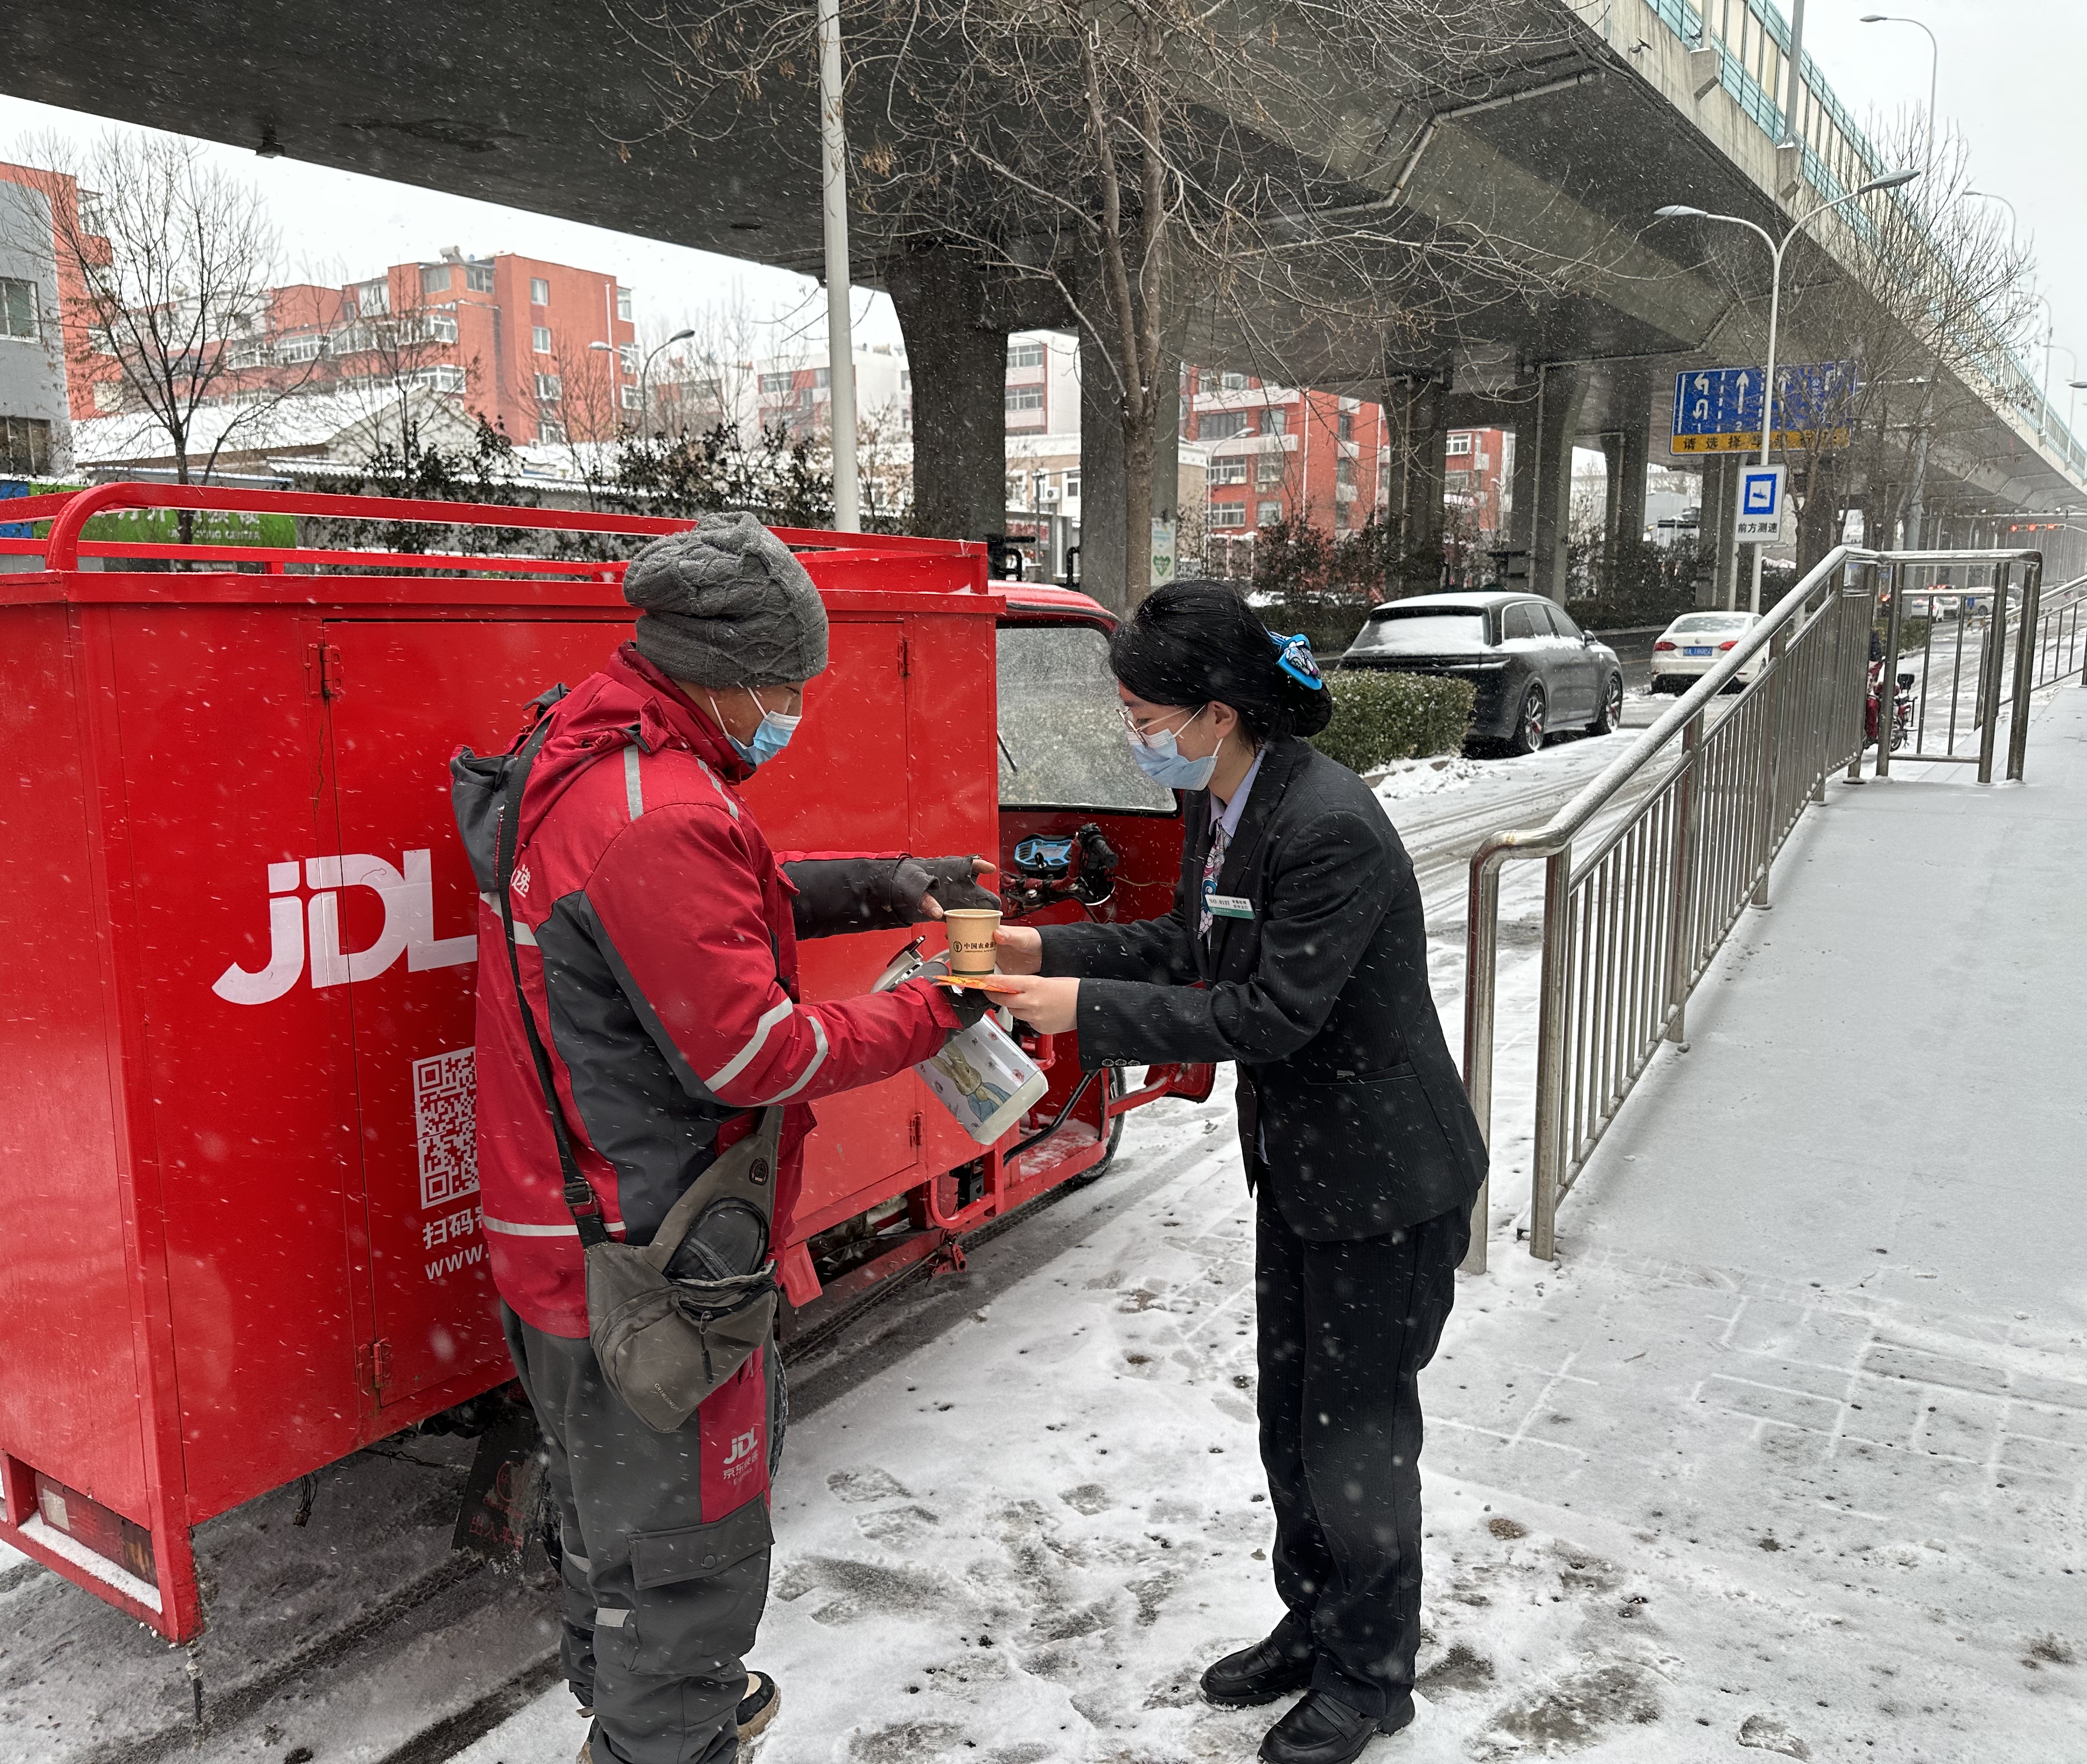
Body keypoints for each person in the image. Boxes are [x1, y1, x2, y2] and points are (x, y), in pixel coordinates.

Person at [451, 511, 995, 1764]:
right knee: (683, 1567)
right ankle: (669, 1738)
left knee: (612, 1536)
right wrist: (935, 1007)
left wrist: (885, 880)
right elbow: (756, 1053)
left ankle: (634, 1713)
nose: (793, 705)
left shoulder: (594, 756)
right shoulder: (657, 810)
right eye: (790, 684)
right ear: (732, 668)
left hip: (562, 1224)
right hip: (648, 1258)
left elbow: (703, 906)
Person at [992, 581, 1487, 1764]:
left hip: (1385, 1183)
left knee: (1357, 1435)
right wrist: (1044, 944)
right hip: (1307, 1172)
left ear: (1216, 713)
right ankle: (1314, 1625)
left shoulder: (1328, 826)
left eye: (1144, 716)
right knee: (1292, 1418)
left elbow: (1272, 1014)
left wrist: (1079, 1008)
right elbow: (1187, 947)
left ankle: (1373, 1678)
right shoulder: (1230, 806)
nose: (1134, 736)